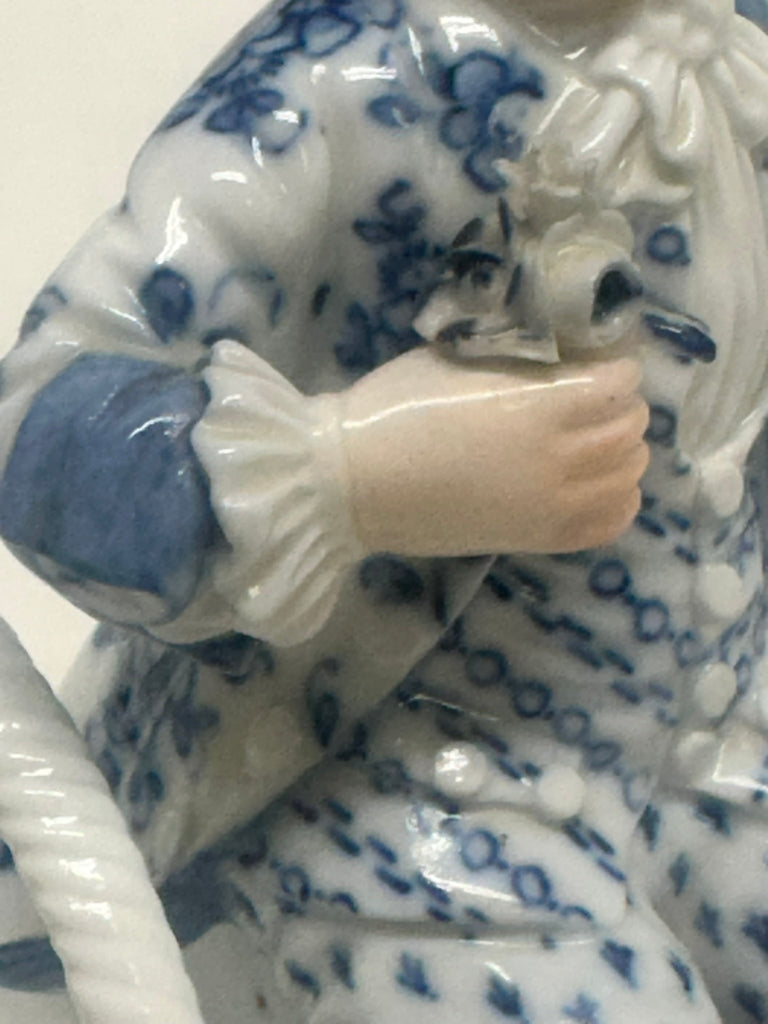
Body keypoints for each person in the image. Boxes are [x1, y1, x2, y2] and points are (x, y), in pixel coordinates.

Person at [0, 0, 766, 1020]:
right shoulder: (332, 84)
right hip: (399, 780)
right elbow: (41, 426)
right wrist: (353, 473)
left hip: (716, 737)